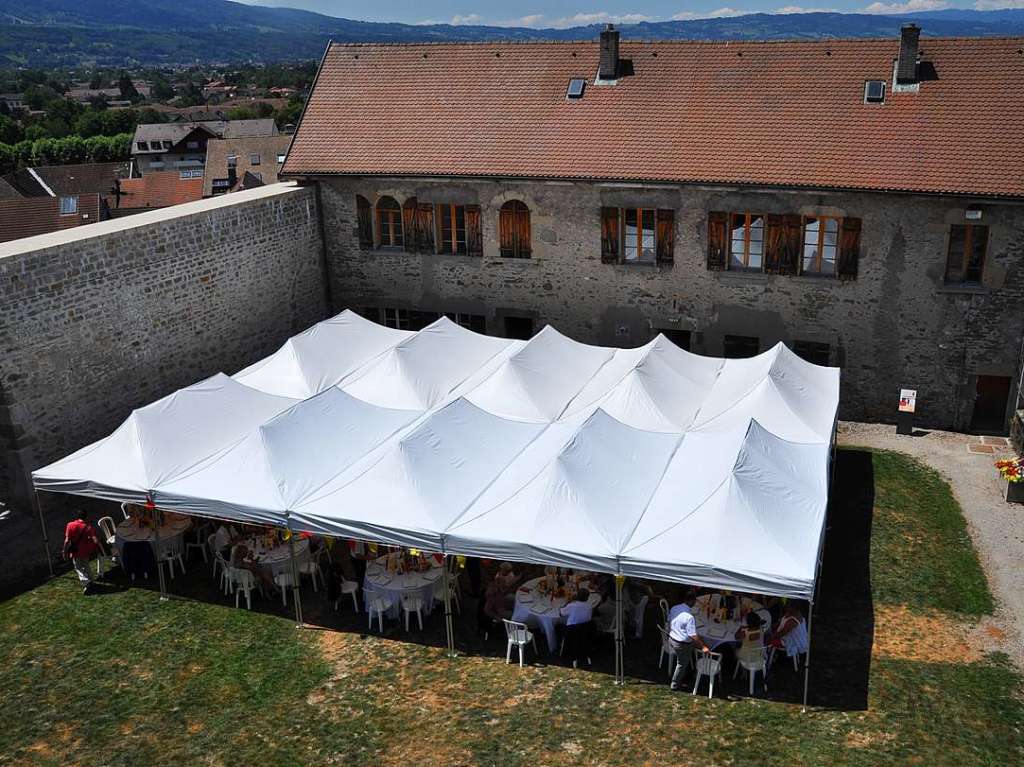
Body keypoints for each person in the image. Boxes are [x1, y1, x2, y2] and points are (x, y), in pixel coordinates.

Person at [668, 592, 710, 691]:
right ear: (692, 601)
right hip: (681, 644)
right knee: (681, 664)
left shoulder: (674, 608)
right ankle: (675, 684)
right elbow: (693, 635)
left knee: (688, 654)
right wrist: (703, 647)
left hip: (672, 639)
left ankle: (691, 666)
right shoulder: (689, 617)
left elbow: (669, 620)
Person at [64, 510, 101, 594]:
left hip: (75, 551)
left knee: (78, 567)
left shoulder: (70, 525)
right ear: (86, 517)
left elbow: (67, 541)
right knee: (86, 565)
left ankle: (86, 582)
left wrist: (64, 551)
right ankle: (91, 581)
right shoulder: (88, 527)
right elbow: (95, 539)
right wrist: (97, 547)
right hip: (85, 551)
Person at [559, 588, 595, 668]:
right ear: (587, 597)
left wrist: (568, 601)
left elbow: (561, 613)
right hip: (586, 631)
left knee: (558, 627)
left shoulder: (572, 606)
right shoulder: (590, 606)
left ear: (577, 596)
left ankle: (562, 647)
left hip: (572, 632)